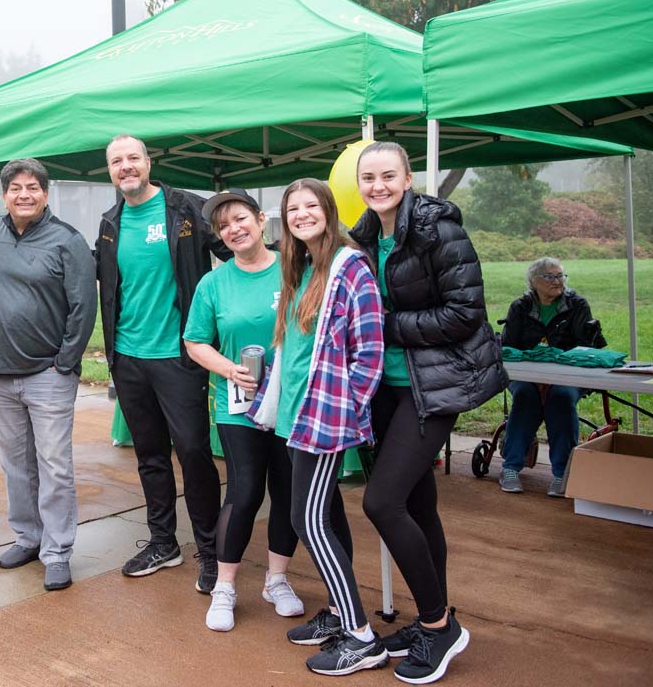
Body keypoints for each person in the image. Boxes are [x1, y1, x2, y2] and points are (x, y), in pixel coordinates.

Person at [350, 141, 506, 684]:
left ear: (408, 177)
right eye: (368, 177)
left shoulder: (439, 229)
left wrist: (386, 327)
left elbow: (465, 312)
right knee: (417, 506)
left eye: (387, 175)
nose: (377, 186)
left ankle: (440, 626)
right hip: (385, 390)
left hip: (434, 389)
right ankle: (428, 618)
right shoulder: (365, 237)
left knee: (382, 501)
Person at [258, 178, 386, 676]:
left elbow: (370, 350)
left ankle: (360, 635)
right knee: (324, 515)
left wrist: (345, 409)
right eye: (293, 208)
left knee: (306, 521)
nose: (302, 214)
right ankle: (337, 613)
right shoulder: (304, 266)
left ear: (329, 211)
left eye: (312, 206)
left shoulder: (349, 265)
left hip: (324, 418)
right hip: (296, 415)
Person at [95, 134, 224, 594]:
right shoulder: (110, 222)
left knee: (192, 452)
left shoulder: (188, 209)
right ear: (109, 171)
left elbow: (235, 254)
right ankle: (163, 543)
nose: (126, 167)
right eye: (117, 162)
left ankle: (211, 552)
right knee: (150, 457)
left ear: (148, 163)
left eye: (133, 158)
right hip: (128, 358)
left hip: (180, 356)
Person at [182, 188, 304, 632]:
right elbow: (194, 341)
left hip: (291, 401)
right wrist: (229, 369)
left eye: (240, 218)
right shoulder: (213, 283)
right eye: (223, 225)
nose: (234, 229)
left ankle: (277, 580)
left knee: (290, 490)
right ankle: (225, 586)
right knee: (246, 490)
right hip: (240, 405)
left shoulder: (295, 268)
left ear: (259, 219)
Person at [0, 158, 97, 591]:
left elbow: (84, 307)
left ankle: (58, 550)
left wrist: (65, 362)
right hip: (2, 373)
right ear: (3, 193)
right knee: (15, 464)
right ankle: (28, 537)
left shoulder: (67, 240)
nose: (24, 194)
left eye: (32, 187)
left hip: (49, 373)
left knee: (55, 465)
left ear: (46, 193)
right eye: (15, 188)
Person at [499, 256, 605, 497]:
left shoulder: (577, 305)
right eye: (550, 277)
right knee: (526, 396)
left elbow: (584, 347)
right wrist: (535, 371)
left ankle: (562, 473)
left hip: (567, 375)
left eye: (560, 276)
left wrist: (553, 369)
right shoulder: (520, 307)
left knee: (561, 398)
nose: (558, 281)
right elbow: (508, 347)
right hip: (527, 375)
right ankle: (511, 468)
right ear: (533, 281)